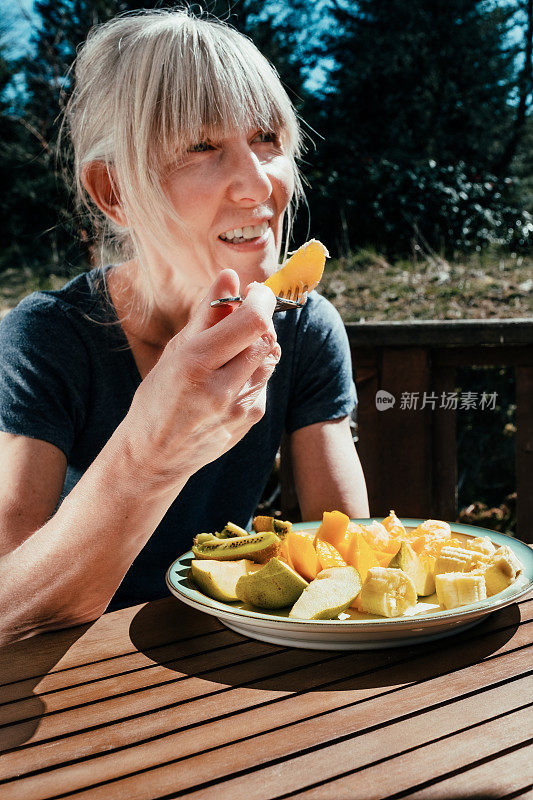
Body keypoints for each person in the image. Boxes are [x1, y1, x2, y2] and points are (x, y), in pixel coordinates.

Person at [0, 9, 369, 644]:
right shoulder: (46, 339)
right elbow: (9, 607)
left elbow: (350, 552)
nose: (259, 185)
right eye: (201, 146)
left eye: (265, 139)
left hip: (223, 668)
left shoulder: (304, 330)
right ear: (114, 188)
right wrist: (154, 450)